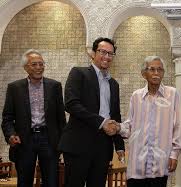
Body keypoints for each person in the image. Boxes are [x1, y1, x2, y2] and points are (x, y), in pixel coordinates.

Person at [58, 37, 125, 187]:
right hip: (78, 144)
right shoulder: (78, 73)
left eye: (110, 54)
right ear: (93, 53)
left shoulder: (114, 84)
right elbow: (71, 104)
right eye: (103, 52)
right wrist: (102, 122)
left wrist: (119, 145)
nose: (107, 57)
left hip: (103, 146)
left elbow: (115, 116)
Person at [109, 56, 181, 187]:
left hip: (160, 164)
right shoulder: (136, 96)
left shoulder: (172, 94)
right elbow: (129, 126)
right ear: (144, 74)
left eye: (160, 70)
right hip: (137, 164)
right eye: (152, 69)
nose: (156, 73)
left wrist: (175, 154)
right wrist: (118, 128)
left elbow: (177, 127)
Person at [1, 49, 66, 187]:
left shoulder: (54, 86)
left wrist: (61, 142)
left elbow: (61, 118)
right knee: (24, 182)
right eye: (34, 64)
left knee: (51, 182)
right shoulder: (14, 88)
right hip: (24, 141)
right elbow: (7, 118)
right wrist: (11, 135)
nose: (39, 67)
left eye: (41, 64)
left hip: (49, 140)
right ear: (26, 67)